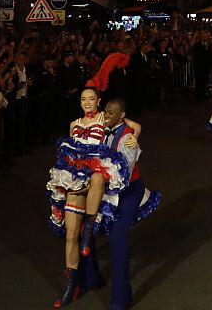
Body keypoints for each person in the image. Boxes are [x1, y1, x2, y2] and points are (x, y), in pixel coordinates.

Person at [46, 56, 140, 308]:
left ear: (98, 101)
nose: (87, 103)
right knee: (69, 235)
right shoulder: (74, 124)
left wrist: (134, 138)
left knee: (98, 178)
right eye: (83, 100)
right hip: (75, 180)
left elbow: (134, 125)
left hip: (97, 175)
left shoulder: (104, 118)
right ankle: (70, 286)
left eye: (91, 99)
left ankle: (90, 230)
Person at [79, 98, 161, 310]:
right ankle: (91, 278)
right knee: (87, 228)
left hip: (128, 191)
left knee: (117, 236)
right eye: (105, 112)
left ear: (122, 115)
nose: (106, 116)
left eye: (111, 113)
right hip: (105, 190)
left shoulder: (128, 139)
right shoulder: (101, 126)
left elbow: (121, 175)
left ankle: (121, 298)